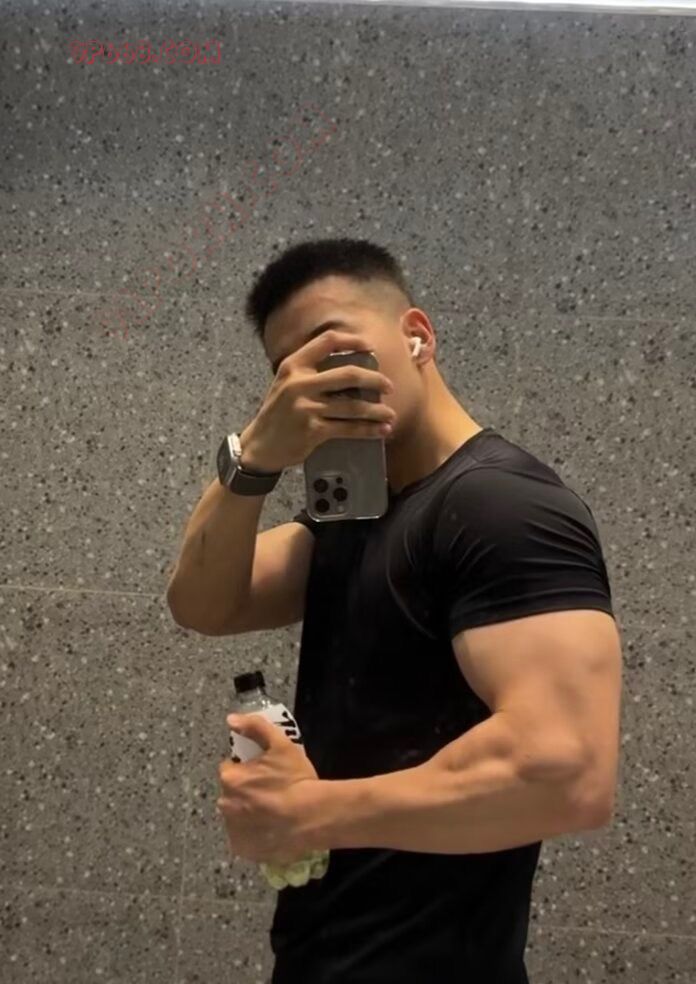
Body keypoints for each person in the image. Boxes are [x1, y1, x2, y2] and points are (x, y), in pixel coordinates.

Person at [167, 238, 622, 984]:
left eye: (333, 349)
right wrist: (254, 457)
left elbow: (564, 772)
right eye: (289, 373)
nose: (314, 383)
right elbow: (204, 602)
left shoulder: (501, 506)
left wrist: (307, 811)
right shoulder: (360, 512)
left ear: (417, 336)